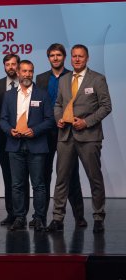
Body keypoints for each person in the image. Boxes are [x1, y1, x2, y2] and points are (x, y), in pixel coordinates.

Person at [48, 44, 111, 234]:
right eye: (74, 56)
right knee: (61, 179)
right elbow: (58, 104)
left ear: (87, 58)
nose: (76, 59)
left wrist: (86, 122)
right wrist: (59, 118)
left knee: (95, 179)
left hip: (89, 136)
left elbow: (106, 107)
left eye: (80, 56)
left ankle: (98, 217)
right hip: (65, 135)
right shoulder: (64, 79)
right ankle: (58, 218)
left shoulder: (97, 79)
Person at [0, 60, 54, 231]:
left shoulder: (42, 94)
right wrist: (10, 131)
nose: (27, 74)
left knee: (38, 184)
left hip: (36, 145)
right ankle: (19, 217)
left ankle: (39, 218)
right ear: (18, 73)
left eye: (30, 71)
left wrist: (34, 131)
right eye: (24, 71)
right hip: (14, 145)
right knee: (17, 185)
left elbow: (50, 120)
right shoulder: (9, 95)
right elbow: (3, 120)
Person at [35, 43, 86, 229]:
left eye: (58, 55)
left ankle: (79, 216)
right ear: (48, 58)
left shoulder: (72, 76)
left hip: (68, 132)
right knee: (44, 175)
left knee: (70, 176)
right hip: (45, 134)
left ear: (64, 57)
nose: (55, 58)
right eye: (52, 55)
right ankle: (41, 217)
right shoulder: (40, 79)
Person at [0, 53, 28, 227]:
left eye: (14, 64)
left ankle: (24, 213)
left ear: (19, 66)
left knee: (23, 177)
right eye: (8, 65)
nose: (11, 67)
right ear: (4, 67)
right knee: (8, 177)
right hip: (4, 139)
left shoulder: (28, 86)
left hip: (26, 138)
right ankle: (11, 213)